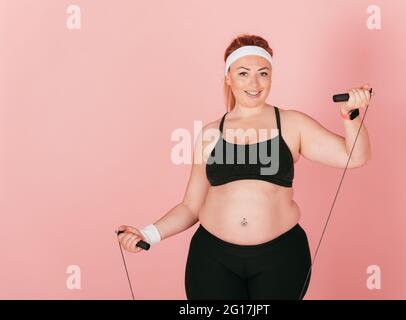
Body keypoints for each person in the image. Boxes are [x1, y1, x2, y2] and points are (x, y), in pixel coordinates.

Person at [117, 34, 372, 300]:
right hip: (213, 259)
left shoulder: (292, 124)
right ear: (228, 77)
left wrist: (350, 115)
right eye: (243, 73)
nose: (254, 82)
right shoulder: (210, 134)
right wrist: (147, 233)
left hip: (281, 257)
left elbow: (354, 157)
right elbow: (190, 207)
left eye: (263, 73)